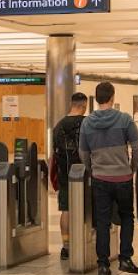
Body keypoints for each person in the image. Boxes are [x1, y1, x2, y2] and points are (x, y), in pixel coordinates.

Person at [79, 81, 138, 275]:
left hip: (100, 178)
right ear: (112, 97)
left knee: (103, 221)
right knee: (126, 217)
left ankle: (103, 265)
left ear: (96, 99)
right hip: (122, 178)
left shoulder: (87, 123)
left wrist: (93, 168)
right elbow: (137, 147)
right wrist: (132, 167)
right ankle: (125, 258)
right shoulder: (124, 119)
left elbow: (83, 152)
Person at [52, 92, 88, 260]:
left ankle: (66, 246)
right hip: (86, 174)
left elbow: (54, 154)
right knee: (86, 207)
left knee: (66, 210)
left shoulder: (58, 126)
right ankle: (84, 241)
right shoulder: (87, 123)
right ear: (82, 106)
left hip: (64, 174)